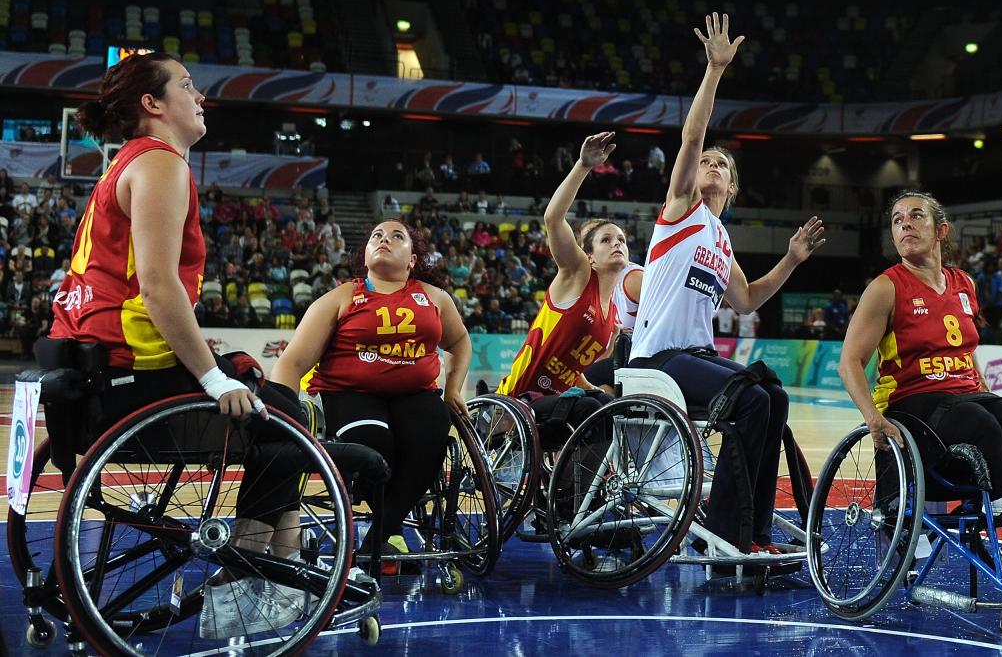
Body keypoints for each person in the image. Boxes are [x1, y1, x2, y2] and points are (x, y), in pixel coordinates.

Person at [46, 51, 308, 637]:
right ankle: (257, 576)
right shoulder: (161, 165)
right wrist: (213, 379)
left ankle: (258, 564)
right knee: (286, 414)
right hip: (129, 374)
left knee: (265, 397)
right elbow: (160, 287)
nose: (200, 96)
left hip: (97, 364)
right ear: (153, 104)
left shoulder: (126, 165)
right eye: (187, 86)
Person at [628, 13, 825, 555]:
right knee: (751, 401)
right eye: (707, 161)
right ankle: (723, 529)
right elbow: (692, 135)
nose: (710, 163)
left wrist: (790, 260)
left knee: (774, 396)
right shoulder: (681, 211)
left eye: (721, 164)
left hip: (696, 354)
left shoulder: (720, 239)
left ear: (732, 188)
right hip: (657, 358)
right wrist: (715, 71)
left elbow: (746, 297)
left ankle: (755, 533)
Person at [838, 191, 1002, 522]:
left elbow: (966, 350)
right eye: (897, 220)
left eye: (916, 216)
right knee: (978, 421)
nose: (905, 225)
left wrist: (983, 388)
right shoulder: (886, 287)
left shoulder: (964, 283)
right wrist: (873, 418)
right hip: (913, 401)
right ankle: (1000, 499)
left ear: (941, 230)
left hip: (963, 394)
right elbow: (849, 362)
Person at [269, 219, 472, 567]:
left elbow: (459, 341)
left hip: (414, 394)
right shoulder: (341, 297)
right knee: (372, 446)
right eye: (377, 235)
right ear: (365, 256)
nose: (384, 240)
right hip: (350, 393)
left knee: (432, 431)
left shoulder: (434, 297)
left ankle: (379, 535)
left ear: (411, 260)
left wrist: (453, 386)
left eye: (396, 237)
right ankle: (388, 534)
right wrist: (286, 415)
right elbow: (291, 363)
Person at [496, 133, 629, 434]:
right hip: (519, 400)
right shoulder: (579, 273)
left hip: (555, 402)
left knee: (603, 405)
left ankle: (582, 484)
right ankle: (573, 484)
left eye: (621, 239)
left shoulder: (612, 322)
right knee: (590, 410)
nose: (617, 243)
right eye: (607, 240)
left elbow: (573, 370)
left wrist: (595, 389)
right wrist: (583, 166)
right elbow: (553, 218)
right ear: (590, 256)